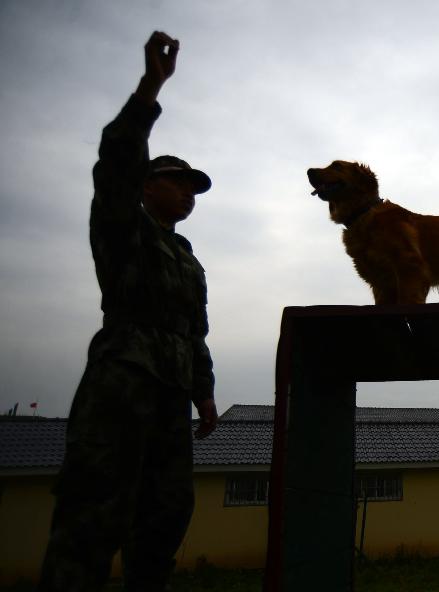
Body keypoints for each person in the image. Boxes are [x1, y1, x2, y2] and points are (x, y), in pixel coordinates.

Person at [39, 31, 218, 592]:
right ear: (146, 186)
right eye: (177, 183)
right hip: (122, 384)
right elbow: (114, 163)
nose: (188, 193)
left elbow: (195, 334)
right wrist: (150, 88)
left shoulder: (186, 257)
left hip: (171, 397)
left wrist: (204, 393)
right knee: (93, 513)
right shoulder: (123, 228)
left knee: (166, 515)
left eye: (194, 188)